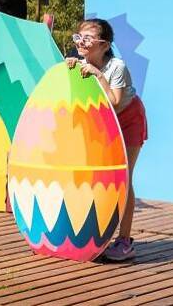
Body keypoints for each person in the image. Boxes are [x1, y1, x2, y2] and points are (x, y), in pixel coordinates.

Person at [65, 19, 147, 261]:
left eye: (87, 38)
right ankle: (92, 232)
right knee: (96, 177)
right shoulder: (80, 61)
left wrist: (99, 75)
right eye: (78, 37)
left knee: (124, 177)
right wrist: (69, 69)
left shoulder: (116, 67)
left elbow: (114, 102)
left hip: (128, 119)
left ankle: (125, 241)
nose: (81, 42)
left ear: (105, 45)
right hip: (102, 122)